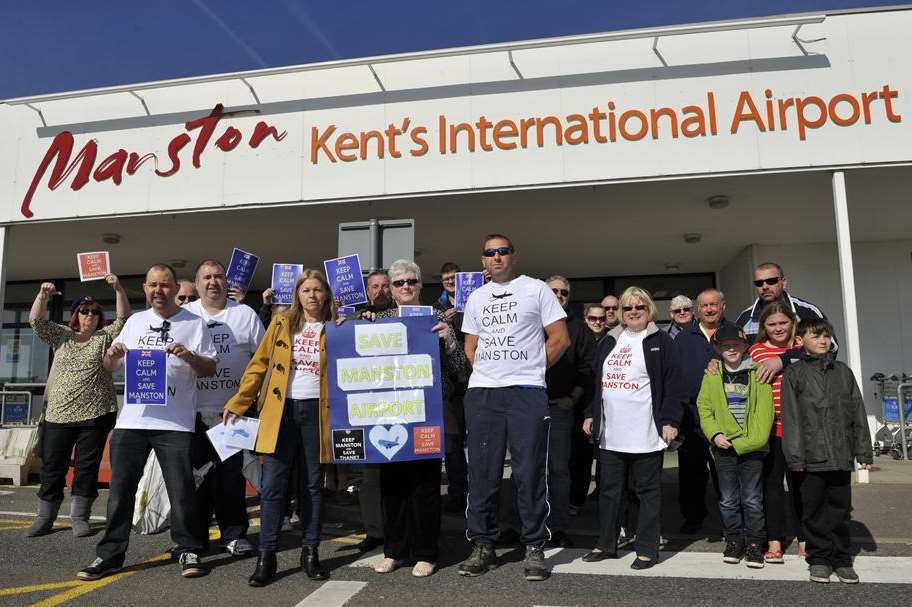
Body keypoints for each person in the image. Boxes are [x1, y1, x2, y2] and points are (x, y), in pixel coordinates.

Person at [77, 264, 216, 580]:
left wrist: (189, 355)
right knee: (120, 492)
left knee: (181, 491)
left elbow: (208, 368)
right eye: (153, 285)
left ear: (173, 288)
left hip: (175, 424)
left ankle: (188, 550)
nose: (158, 291)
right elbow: (110, 365)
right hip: (132, 421)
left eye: (165, 285)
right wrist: (111, 354)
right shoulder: (136, 321)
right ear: (145, 287)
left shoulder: (195, 323)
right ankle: (109, 555)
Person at [458, 234, 570, 582]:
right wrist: (490, 372)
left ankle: (534, 545)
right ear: (483, 260)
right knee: (482, 472)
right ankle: (482, 544)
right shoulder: (476, 297)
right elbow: (470, 346)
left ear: (513, 256)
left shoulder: (536, 290)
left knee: (529, 471)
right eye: (490, 253)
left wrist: (532, 371)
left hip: (526, 392)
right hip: (484, 395)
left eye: (502, 251)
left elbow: (559, 338)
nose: (496, 257)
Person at [224, 270, 335, 586]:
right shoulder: (281, 322)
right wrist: (239, 401)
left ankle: (310, 551)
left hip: (318, 411)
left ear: (325, 295)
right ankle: (266, 555)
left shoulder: (337, 326)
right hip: (280, 410)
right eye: (306, 290)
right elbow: (258, 365)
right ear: (297, 295)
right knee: (273, 485)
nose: (311, 295)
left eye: (317, 290)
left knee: (313, 485)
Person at [363, 259, 465, 577]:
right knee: (392, 486)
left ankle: (425, 552)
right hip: (389, 415)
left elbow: (460, 370)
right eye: (399, 283)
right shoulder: (377, 320)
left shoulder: (436, 318)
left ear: (420, 285)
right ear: (391, 290)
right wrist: (353, 324)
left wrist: (448, 342)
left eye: (411, 281)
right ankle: (394, 550)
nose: (405, 287)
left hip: (427, 412)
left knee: (425, 486)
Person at [582, 287, 683, 569]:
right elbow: (597, 384)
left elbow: (674, 385)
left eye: (639, 306)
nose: (634, 311)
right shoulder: (609, 341)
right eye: (627, 308)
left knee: (647, 491)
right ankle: (605, 543)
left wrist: (671, 420)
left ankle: (647, 548)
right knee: (609, 491)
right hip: (611, 433)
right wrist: (591, 414)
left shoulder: (661, 341)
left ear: (649, 309)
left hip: (646, 433)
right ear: (621, 314)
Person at [27, 276, 130, 537]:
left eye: (95, 312)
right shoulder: (61, 335)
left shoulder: (104, 337)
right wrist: (43, 296)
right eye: (84, 311)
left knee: (86, 468)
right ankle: (44, 517)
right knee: (53, 466)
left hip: (95, 414)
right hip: (58, 415)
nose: (90, 315)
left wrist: (118, 288)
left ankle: (79, 517)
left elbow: (124, 318)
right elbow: (36, 321)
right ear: (75, 315)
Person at [780, 318, 872, 584]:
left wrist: (863, 453)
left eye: (826, 336)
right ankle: (819, 559)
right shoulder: (795, 374)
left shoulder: (843, 372)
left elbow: (857, 411)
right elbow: (792, 418)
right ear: (800, 342)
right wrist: (795, 456)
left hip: (841, 455)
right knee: (814, 510)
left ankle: (842, 559)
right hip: (810, 457)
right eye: (815, 336)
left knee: (840, 509)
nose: (822, 340)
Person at [185, 259, 265, 556]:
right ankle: (195, 539)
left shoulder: (245, 314)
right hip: (190, 414)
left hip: (235, 414)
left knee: (231, 478)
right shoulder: (184, 315)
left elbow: (262, 359)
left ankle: (234, 535)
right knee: (195, 479)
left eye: (218, 276)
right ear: (196, 284)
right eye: (206, 277)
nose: (213, 282)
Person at [697, 325, 774, 568]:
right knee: (728, 499)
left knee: (752, 498)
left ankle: (754, 543)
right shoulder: (711, 375)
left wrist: (746, 443)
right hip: (722, 447)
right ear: (717, 349)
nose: (731, 349)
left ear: (745, 347)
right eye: (725, 345)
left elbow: (765, 413)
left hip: (751, 449)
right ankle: (734, 540)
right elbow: (705, 408)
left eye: (736, 345)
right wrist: (715, 434)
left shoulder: (757, 373)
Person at [674, 288, 737, 534]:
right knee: (691, 472)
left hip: (726, 416)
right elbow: (675, 376)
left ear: (723, 306)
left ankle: (731, 521)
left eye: (714, 305)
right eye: (704, 306)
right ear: (697, 309)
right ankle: (693, 518)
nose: (709, 309)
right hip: (691, 417)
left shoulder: (733, 333)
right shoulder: (684, 337)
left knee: (726, 472)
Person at [748, 302, 804, 563]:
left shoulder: (802, 348)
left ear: (792, 323)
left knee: (801, 486)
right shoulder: (756, 351)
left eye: (783, 323)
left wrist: (783, 359)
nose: (778, 328)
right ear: (763, 328)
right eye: (772, 324)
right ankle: (774, 539)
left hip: (798, 429)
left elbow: (823, 354)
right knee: (771, 486)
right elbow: (734, 366)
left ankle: (805, 538)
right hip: (769, 429)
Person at [544, 276, 594, 546]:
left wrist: (572, 399)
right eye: (554, 291)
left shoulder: (578, 329)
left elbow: (587, 368)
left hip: (560, 408)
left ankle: (558, 526)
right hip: (528, 408)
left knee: (559, 470)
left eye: (564, 292)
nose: (559, 295)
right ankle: (519, 524)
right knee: (525, 469)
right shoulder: (530, 322)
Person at [735, 262, 836, 382]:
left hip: (805, 391)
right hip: (763, 394)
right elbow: (733, 354)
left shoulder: (806, 312)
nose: (765, 286)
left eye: (771, 281)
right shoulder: (746, 318)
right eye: (759, 283)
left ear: (784, 282)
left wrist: (782, 360)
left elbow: (831, 347)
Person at [433, 261, 469, 514]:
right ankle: (457, 494)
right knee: (452, 444)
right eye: (446, 278)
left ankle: (470, 493)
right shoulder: (435, 307)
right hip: (451, 385)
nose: (449, 281)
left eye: (454, 278)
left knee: (471, 443)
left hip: (477, 378)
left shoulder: (476, 299)